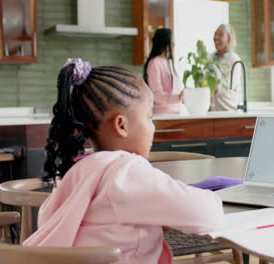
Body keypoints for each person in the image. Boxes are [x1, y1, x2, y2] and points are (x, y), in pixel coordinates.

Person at [22, 58, 224, 264]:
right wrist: (212, 196)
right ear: (122, 125)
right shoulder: (125, 173)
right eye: (149, 117)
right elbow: (207, 214)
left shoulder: (77, 169)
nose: (153, 127)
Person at [144, 28, 187, 115]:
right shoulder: (155, 63)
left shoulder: (169, 62)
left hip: (176, 112)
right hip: (162, 114)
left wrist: (182, 96)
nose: (174, 44)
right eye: (172, 41)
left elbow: (174, 91)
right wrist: (177, 97)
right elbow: (156, 95)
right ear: (165, 43)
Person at [210, 24, 242, 111]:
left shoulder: (234, 59)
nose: (216, 37)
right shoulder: (210, 58)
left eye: (220, 35)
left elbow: (229, 84)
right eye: (215, 34)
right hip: (212, 111)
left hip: (228, 110)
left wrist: (212, 87)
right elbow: (202, 80)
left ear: (229, 38)